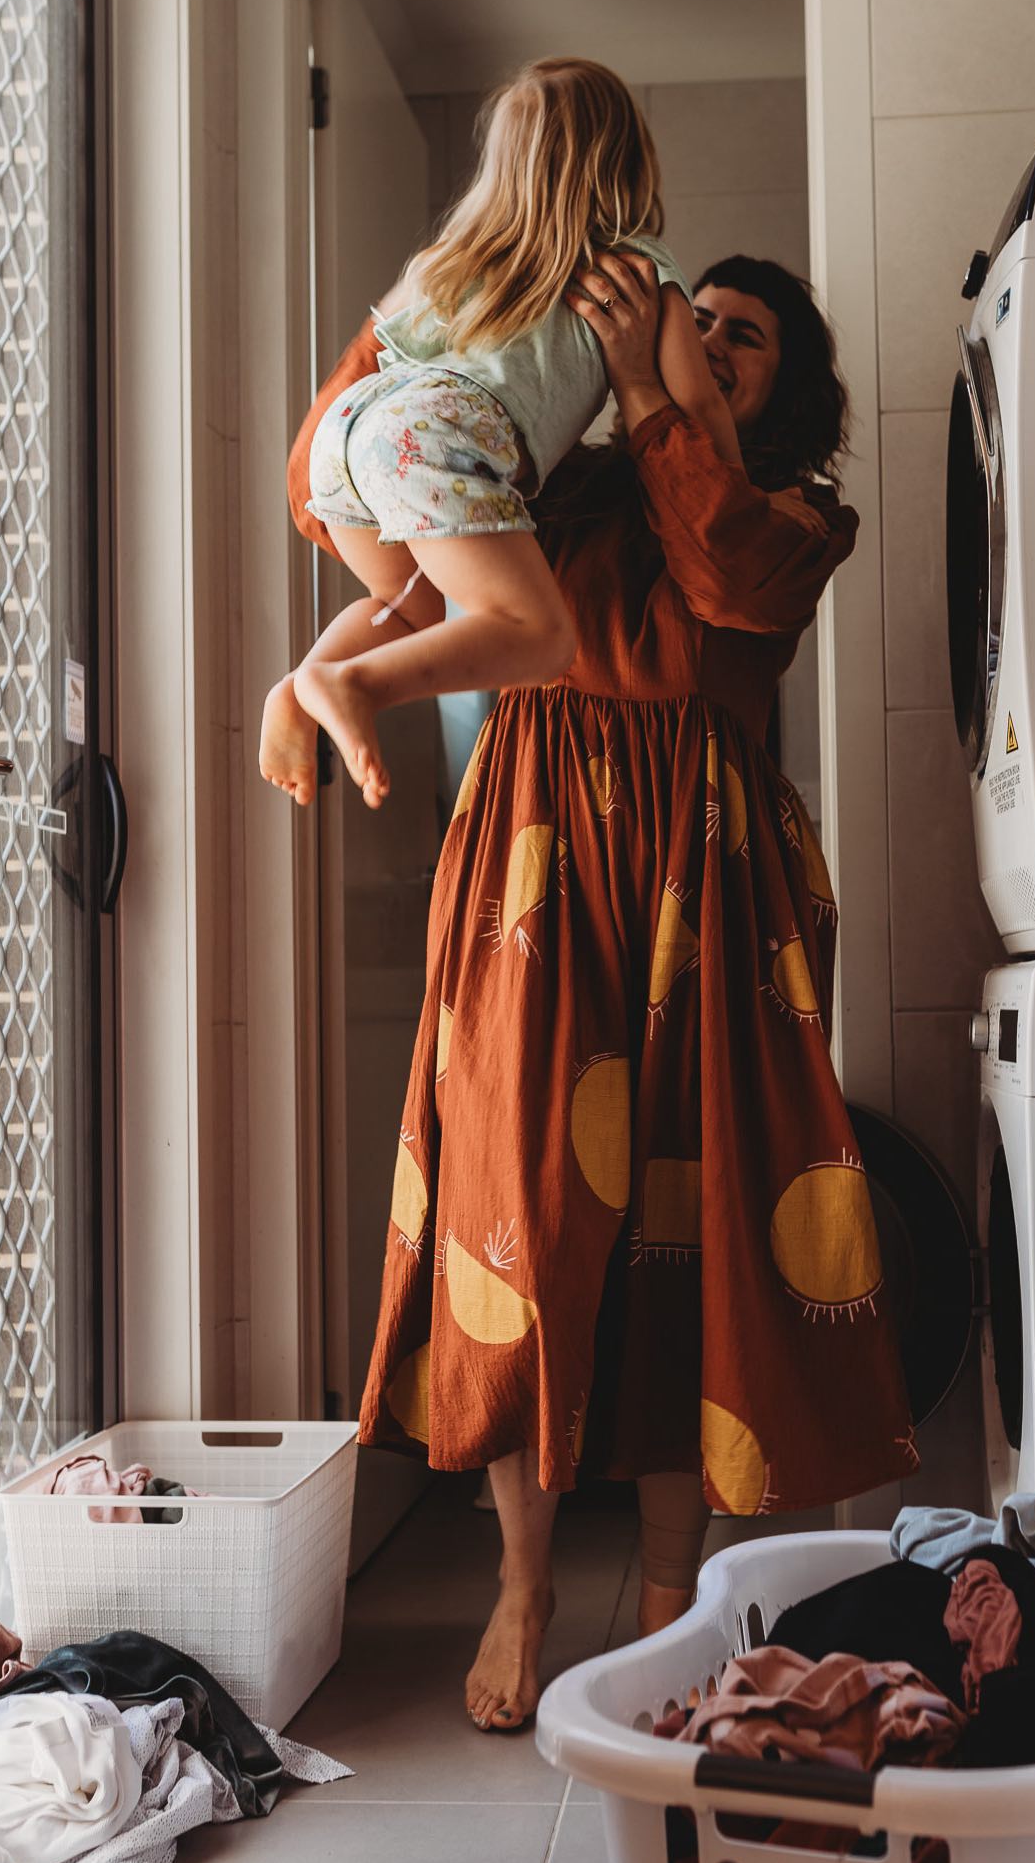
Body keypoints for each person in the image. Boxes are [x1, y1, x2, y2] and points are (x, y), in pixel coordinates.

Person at [287, 246, 919, 1733]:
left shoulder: (794, 519)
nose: (705, 334)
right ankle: (521, 1580)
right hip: (531, 868)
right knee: (519, 1206)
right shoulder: (556, 486)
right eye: (694, 313)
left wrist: (653, 385)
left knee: (686, 1227)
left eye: (742, 335)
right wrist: (310, 666)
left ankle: (665, 1602)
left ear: (793, 385)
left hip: (709, 890)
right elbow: (366, 509)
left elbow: (714, 574)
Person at [260, 56, 734, 812]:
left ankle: (300, 684)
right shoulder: (639, 272)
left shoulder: (449, 261)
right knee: (541, 636)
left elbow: (379, 346)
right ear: (627, 160)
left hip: (352, 434)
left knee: (412, 609)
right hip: (439, 438)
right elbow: (700, 411)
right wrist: (735, 484)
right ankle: (349, 682)